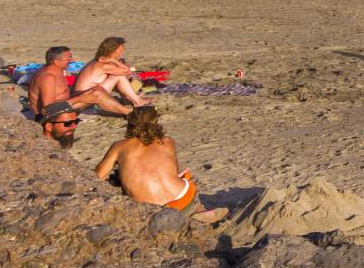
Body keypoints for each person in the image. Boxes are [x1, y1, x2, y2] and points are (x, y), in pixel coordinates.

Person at [94, 108, 226, 223]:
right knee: (185, 178)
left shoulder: (119, 146)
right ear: (156, 123)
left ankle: (192, 215)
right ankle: (199, 210)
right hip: (183, 199)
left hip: (151, 210)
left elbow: (98, 176)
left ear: (130, 125)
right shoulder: (167, 142)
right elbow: (171, 170)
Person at [26, 45, 132, 120]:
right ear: (56, 61)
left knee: (96, 90)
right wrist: (80, 98)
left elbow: (59, 94)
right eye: (68, 58)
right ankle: (131, 114)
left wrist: (83, 93)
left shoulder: (56, 71)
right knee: (97, 93)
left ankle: (125, 110)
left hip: (64, 105)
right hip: (49, 116)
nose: (72, 61)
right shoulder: (48, 77)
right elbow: (48, 108)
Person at [72, 37, 150, 108]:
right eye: (121, 49)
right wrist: (113, 60)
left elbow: (128, 70)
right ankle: (137, 101)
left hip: (83, 95)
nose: (123, 51)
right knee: (118, 76)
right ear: (113, 50)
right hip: (85, 100)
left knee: (114, 76)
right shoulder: (103, 64)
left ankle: (129, 99)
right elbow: (128, 71)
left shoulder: (98, 60)